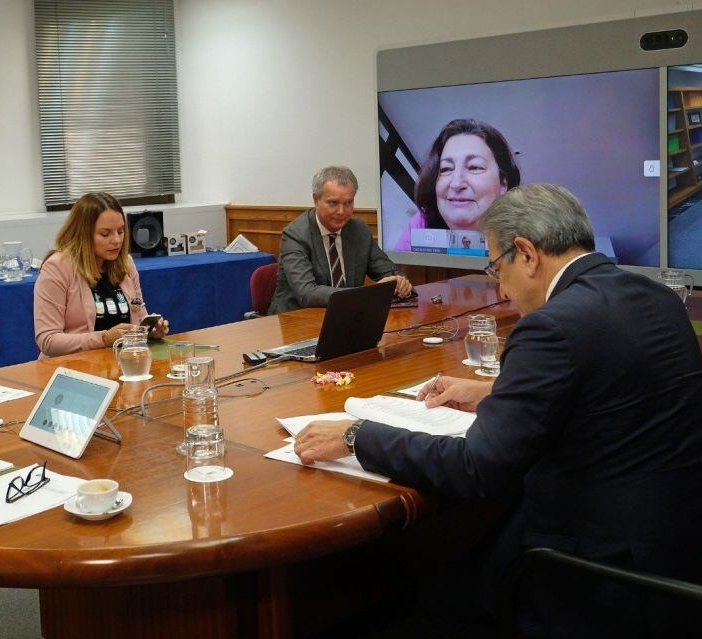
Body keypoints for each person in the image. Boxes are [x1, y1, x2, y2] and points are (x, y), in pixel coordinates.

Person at [295, 184, 702, 637]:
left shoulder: (550, 326)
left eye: (495, 266)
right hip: (675, 543)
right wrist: (494, 394)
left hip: (593, 569)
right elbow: (611, 396)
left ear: (526, 253)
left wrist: (358, 435)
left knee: (418, 595)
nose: (499, 287)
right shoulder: (655, 298)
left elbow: (475, 468)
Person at [34, 191, 169, 357]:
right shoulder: (57, 267)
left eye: (120, 231)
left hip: (124, 364)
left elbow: (140, 318)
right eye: (105, 234)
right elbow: (48, 341)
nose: (117, 240)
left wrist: (151, 330)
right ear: (83, 234)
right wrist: (103, 339)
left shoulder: (126, 264)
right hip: (73, 369)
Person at [268, 166, 411, 315]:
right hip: (297, 320)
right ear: (316, 200)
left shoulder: (358, 230)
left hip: (345, 316)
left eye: (348, 203)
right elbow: (307, 293)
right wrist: (367, 294)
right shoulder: (296, 235)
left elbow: (388, 271)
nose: (342, 211)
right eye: (333, 203)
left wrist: (399, 283)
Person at [395, 118, 521, 250]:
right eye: (446, 169)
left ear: (503, 184)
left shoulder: (527, 234)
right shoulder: (422, 223)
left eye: (474, 167)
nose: (456, 184)